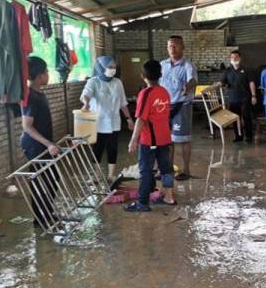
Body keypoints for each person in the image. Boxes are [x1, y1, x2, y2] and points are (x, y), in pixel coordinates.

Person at [125, 60, 176, 212]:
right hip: (165, 138)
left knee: (146, 171)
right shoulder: (164, 92)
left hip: (150, 140)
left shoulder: (145, 93)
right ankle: (169, 196)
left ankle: (142, 203)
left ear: (143, 76)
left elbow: (141, 119)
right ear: (160, 75)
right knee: (166, 168)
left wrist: (133, 140)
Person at [20, 57, 60, 228]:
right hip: (34, 145)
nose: (48, 75)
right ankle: (39, 218)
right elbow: (27, 127)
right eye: (46, 72)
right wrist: (48, 143)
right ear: (39, 75)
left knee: (52, 178)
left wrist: (50, 143)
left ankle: (47, 211)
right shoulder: (30, 96)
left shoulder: (39, 94)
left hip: (42, 143)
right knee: (39, 180)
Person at [80, 56, 134, 181]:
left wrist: (129, 119)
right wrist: (86, 103)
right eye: (110, 67)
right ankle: (96, 175)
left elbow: (123, 103)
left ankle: (111, 174)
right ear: (101, 68)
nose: (112, 70)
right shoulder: (93, 81)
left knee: (112, 148)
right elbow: (86, 94)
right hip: (98, 122)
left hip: (114, 122)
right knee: (97, 149)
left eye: (114, 67)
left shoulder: (118, 83)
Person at [159, 35, 197, 181]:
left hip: (182, 105)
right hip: (164, 106)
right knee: (168, 139)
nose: (172, 49)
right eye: (170, 46)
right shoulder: (163, 65)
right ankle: (167, 168)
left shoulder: (188, 65)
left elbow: (192, 80)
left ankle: (186, 169)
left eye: (175, 45)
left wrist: (187, 87)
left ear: (183, 47)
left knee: (183, 139)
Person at [220, 50, 257, 143]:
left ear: (240, 58)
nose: (234, 59)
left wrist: (253, 95)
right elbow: (222, 83)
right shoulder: (227, 71)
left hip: (245, 97)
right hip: (233, 98)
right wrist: (218, 85)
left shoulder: (247, 70)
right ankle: (238, 136)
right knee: (235, 118)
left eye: (236, 57)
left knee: (246, 117)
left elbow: (251, 83)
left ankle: (249, 136)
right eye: (232, 57)